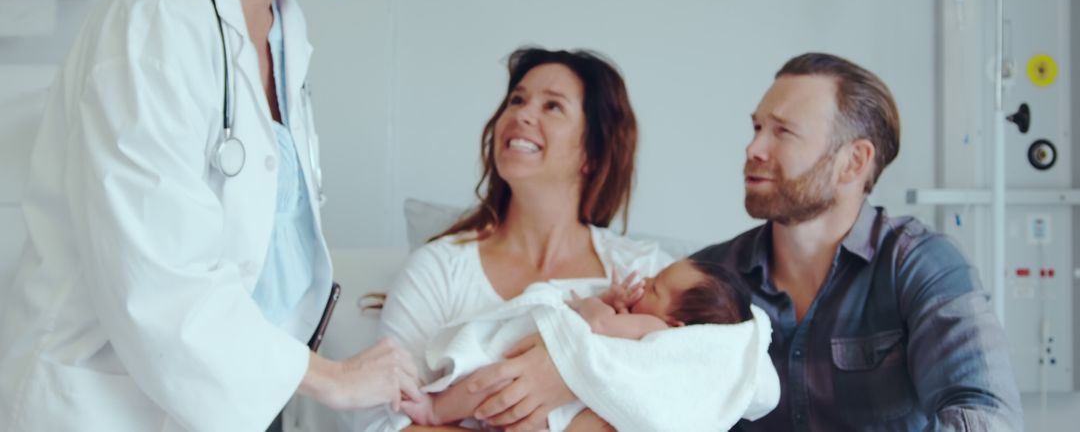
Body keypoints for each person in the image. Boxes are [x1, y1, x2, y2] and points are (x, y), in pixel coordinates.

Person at [0, 0, 421, 430]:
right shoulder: (156, 25)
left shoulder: (281, 27)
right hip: (110, 405)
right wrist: (330, 377)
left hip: (242, 388)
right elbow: (161, 281)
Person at [354, 46, 778, 432]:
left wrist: (567, 376)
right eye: (517, 100)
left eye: (552, 105)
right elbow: (384, 424)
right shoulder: (440, 268)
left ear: (592, 152)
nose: (521, 114)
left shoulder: (651, 272)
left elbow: (692, 406)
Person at [691, 52, 1023, 430]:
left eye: (783, 132)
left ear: (854, 162)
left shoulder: (920, 266)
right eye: (757, 128)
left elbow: (986, 414)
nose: (754, 149)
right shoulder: (708, 276)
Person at [401, 259, 754, 427]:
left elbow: (597, 324)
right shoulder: (647, 323)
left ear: (676, 325)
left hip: (570, 391)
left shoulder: (653, 327)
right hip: (562, 397)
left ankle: (437, 410)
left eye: (656, 287)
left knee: (494, 378)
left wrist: (593, 303)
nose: (644, 281)